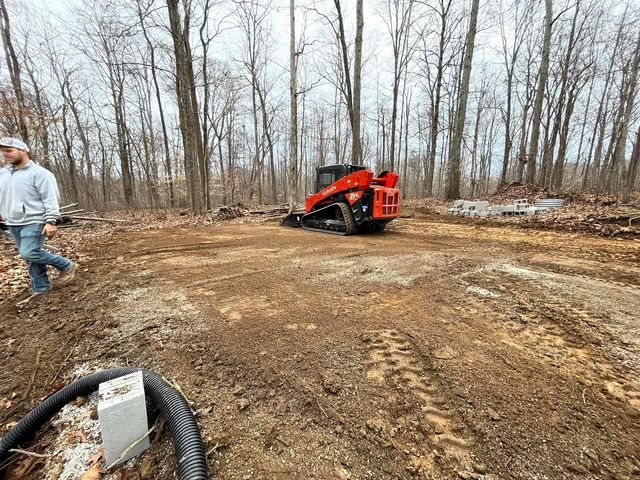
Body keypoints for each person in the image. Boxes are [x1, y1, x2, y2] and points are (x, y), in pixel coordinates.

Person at [0, 137, 78, 305]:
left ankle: (66, 265)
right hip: (13, 222)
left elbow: (50, 198)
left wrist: (51, 221)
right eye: (3, 151)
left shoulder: (40, 173)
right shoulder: (3, 173)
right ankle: (41, 288)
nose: (5, 154)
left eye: (9, 150)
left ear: (23, 151)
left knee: (28, 252)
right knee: (31, 257)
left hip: (35, 220)